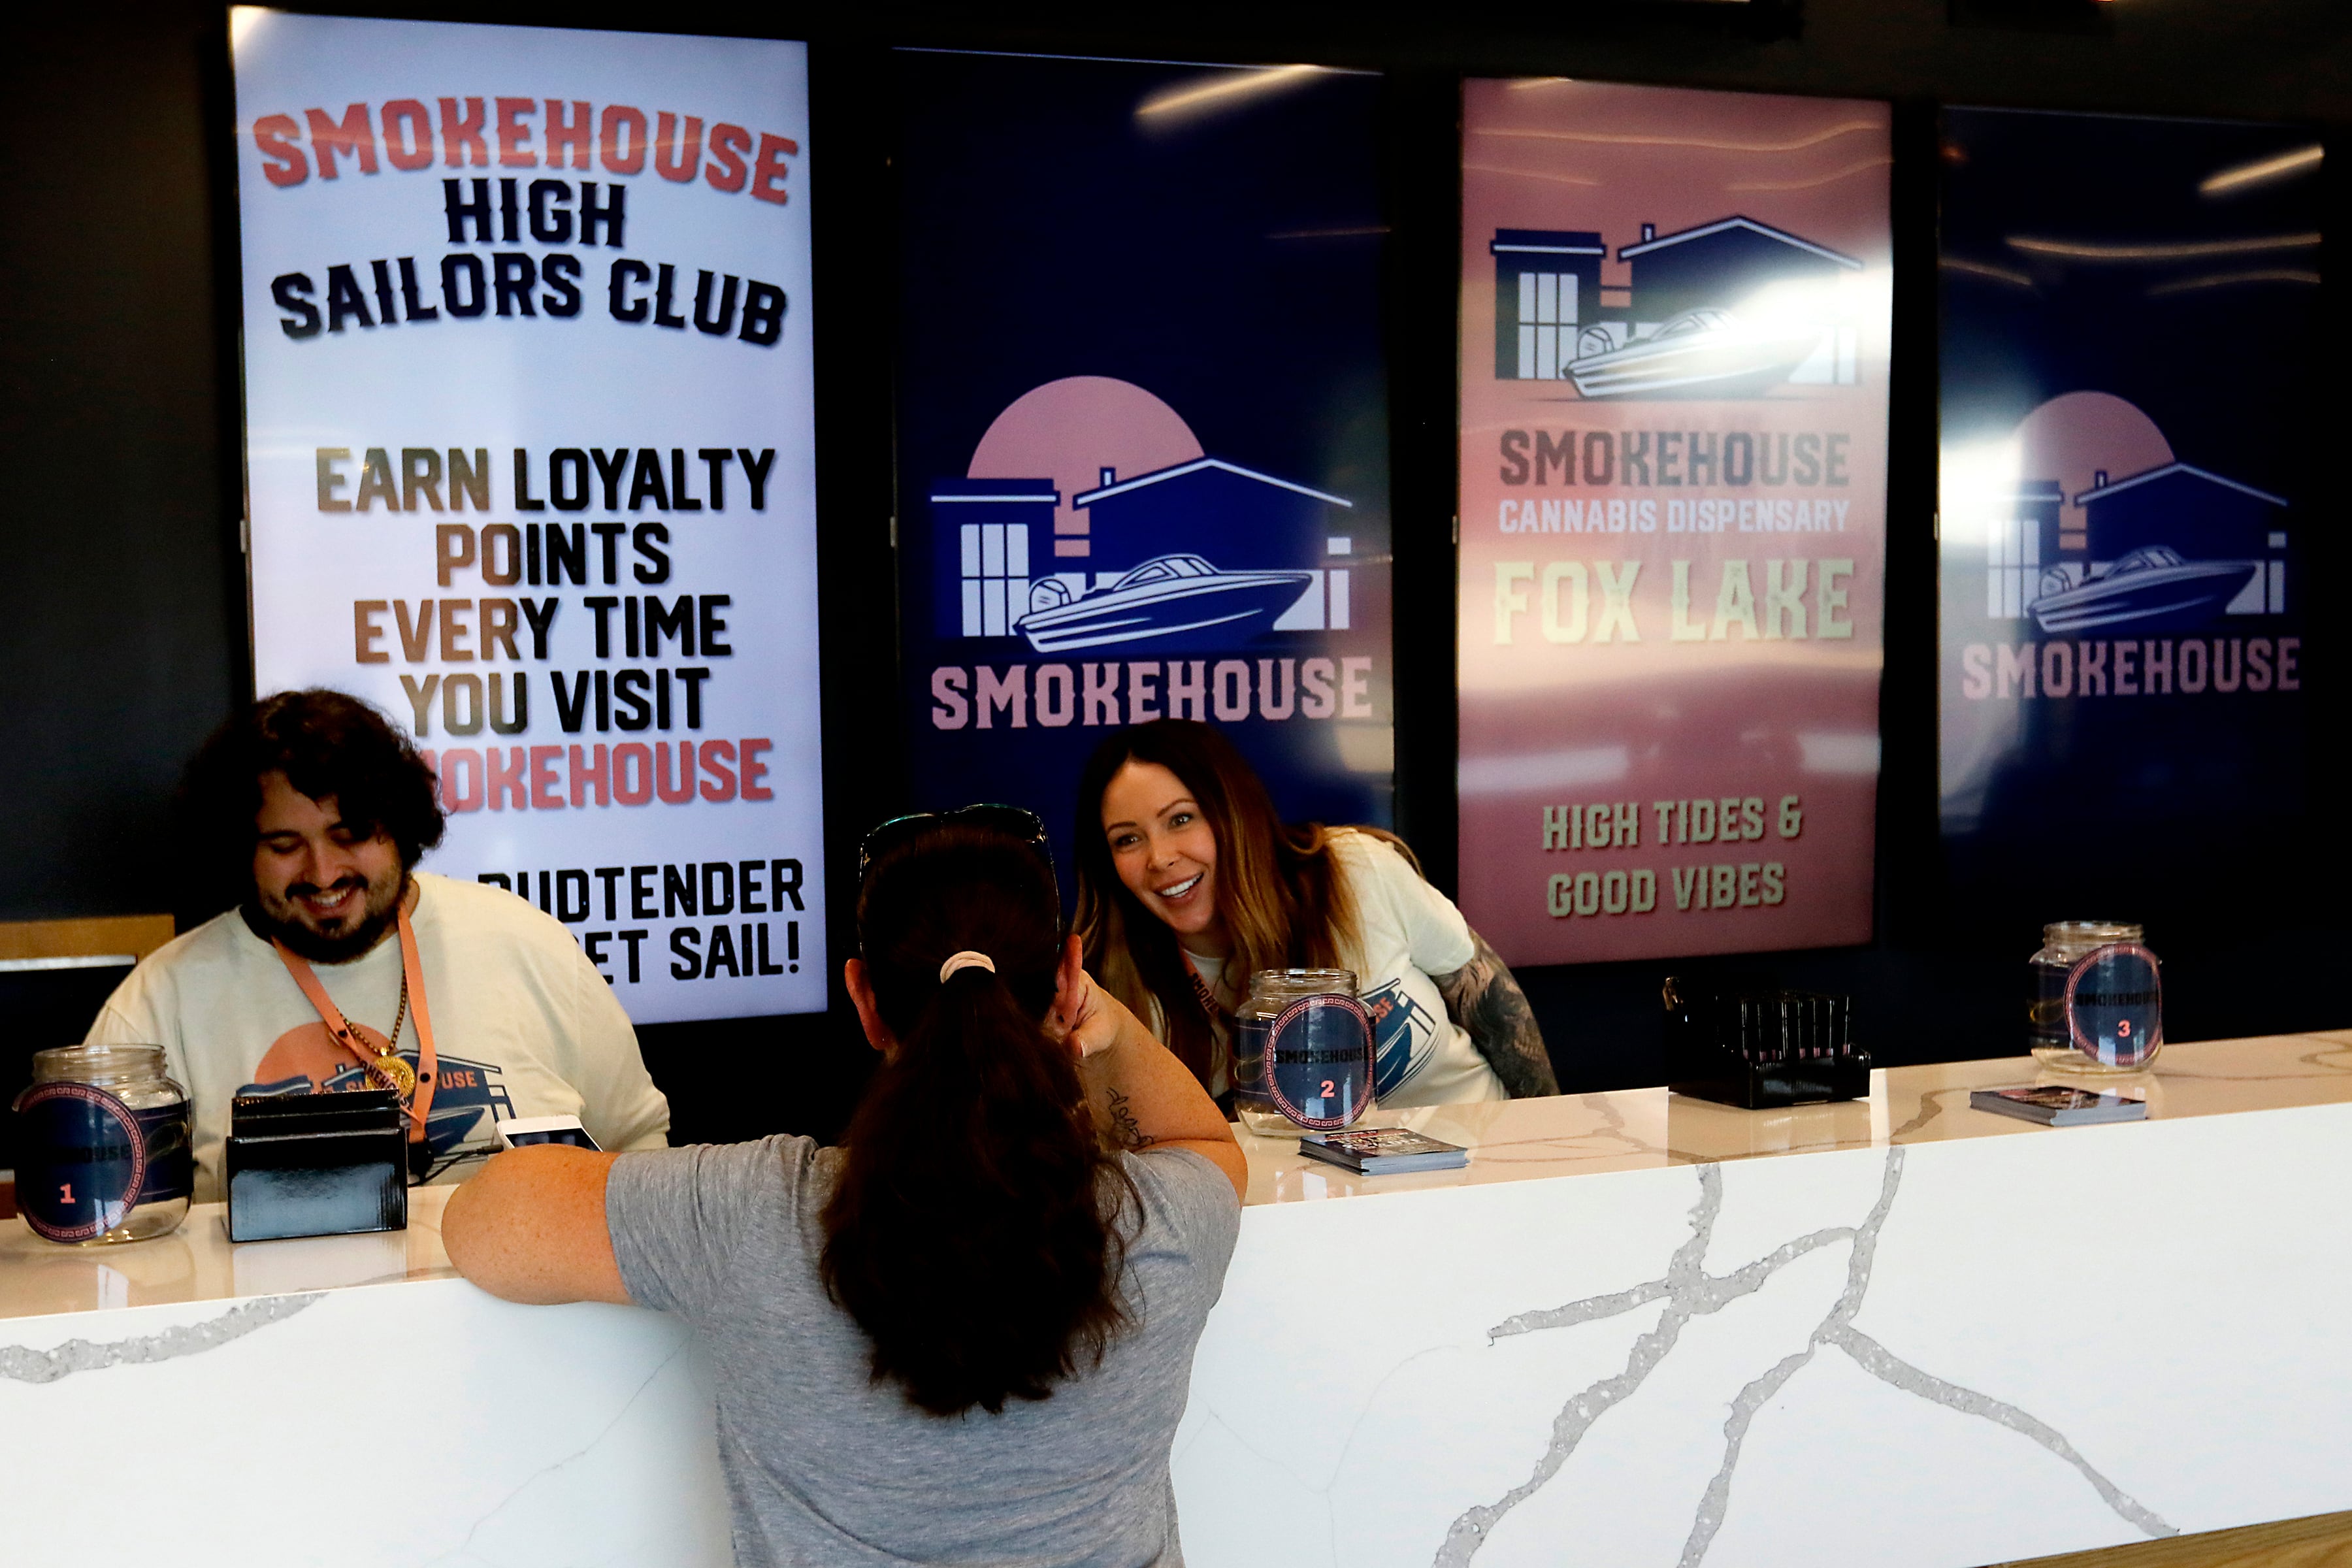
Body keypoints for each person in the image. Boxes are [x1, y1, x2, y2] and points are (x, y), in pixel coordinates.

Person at [444, 810, 1245, 1568]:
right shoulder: (1156, 1220)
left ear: (865, 1000)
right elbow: (1206, 1144)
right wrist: (1103, 1032)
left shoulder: (755, 1210)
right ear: (1069, 976)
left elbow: (484, 1224)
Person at [84, 689, 670, 1201]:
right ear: (243, 851)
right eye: (286, 845)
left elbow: (639, 1145)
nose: (323, 872)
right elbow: (116, 1225)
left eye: (352, 834)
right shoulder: (162, 1002)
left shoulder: (526, 943)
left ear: (400, 825)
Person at [1075, 719, 1558, 1107]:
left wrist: (1549, 1140)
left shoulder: (1353, 871)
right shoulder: (1123, 988)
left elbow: (1490, 999)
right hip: (1321, 1211)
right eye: (1128, 839)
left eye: (1181, 819)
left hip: (1485, 1165)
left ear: (1234, 815)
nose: (1159, 858)